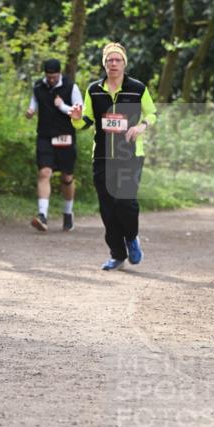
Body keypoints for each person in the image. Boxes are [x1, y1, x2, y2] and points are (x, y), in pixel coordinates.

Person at [71, 42, 156, 270]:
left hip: (130, 153)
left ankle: (132, 239)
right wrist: (77, 117)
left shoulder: (137, 88)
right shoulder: (94, 90)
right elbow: (85, 122)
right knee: (107, 206)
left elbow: (152, 113)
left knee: (125, 202)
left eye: (118, 60)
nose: (114, 63)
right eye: (110, 60)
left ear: (124, 63)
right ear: (105, 64)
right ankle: (117, 254)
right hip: (102, 156)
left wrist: (141, 126)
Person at [25, 58, 83, 232]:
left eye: (54, 76)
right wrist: (31, 110)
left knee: (66, 177)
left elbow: (79, 113)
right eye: (48, 76)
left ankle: (67, 213)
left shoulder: (71, 87)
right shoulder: (38, 86)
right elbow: (34, 101)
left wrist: (62, 106)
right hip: (44, 136)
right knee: (44, 172)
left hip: (65, 136)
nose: (51, 80)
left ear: (59, 73)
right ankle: (42, 215)